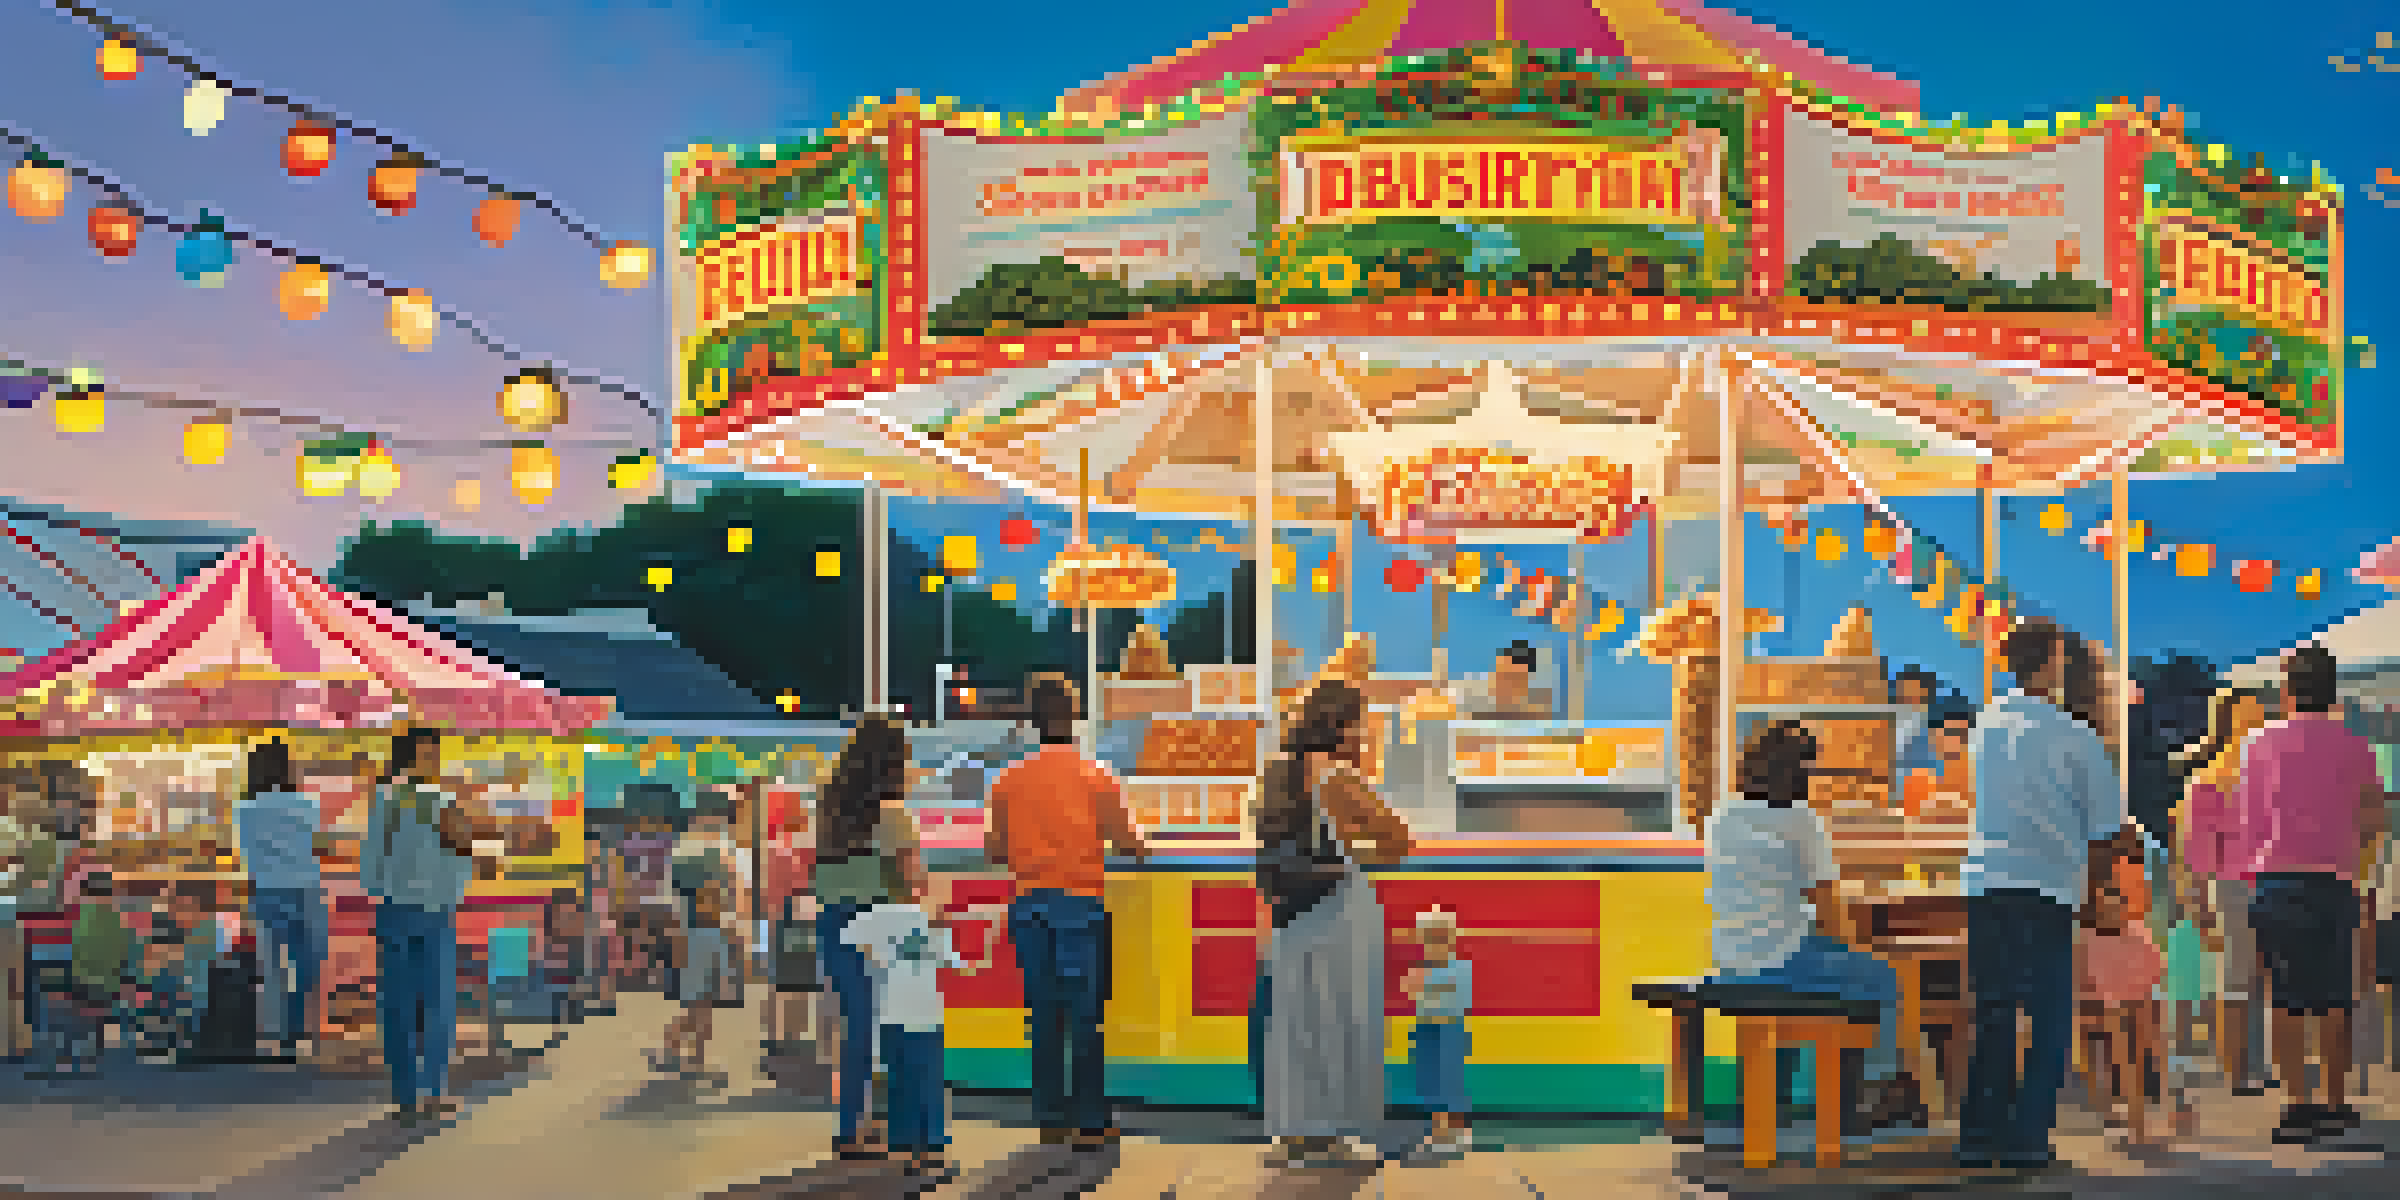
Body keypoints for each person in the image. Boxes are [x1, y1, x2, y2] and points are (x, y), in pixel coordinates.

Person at [1956, 619, 2127, 1172]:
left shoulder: (1985, 725)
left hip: (1986, 882)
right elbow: (2105, 829)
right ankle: (2029, 1139)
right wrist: (2099, 888)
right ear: (2051, 663)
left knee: (1995, 1012)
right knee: (2051, 1016)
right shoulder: (2074, 735)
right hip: (2047, 885)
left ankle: (1980, 1137)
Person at [1705, 720, 1918, 1130]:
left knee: (1822, 977)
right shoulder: (1800, 820)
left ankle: (1770, 1103)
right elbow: (1828, 909)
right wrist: (1854, 947)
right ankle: (1873, 1093)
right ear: (1799, 771)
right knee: (1880, 978)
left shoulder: (1723, 816)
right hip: (1780, 959)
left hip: (1730, 959)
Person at [1256, 679, 1417, 1167]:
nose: (1364, 734)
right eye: (1360, 724)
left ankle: (1296, 1134)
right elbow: (1398, 839)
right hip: (1336, 908)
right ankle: (1330, 1133)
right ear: (1341, 726)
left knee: (1297, 1020)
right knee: (1339, 1017)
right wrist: (1353, 854)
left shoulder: (1280, 774)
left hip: (1292, 912)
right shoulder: (1338, 778)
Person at [986, 673, 1149, 1149]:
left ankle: (1050, 1117)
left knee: (1043, 1015)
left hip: (1030, 907)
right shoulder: (1096, 776)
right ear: (1074, 717)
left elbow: (994, 850)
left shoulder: (1008, 781)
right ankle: (1092, 1121)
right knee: (1084, 1016)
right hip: (1081, 906)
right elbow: (1131, 846)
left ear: (1032, 722)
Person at [360, 726, 553, 1122]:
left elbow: (386, 856)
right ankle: (431, 1092)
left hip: (393, 908)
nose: (434, 762)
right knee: (436, 1003)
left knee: (398, 1005)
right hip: (431, 910)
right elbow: (462, 836)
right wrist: (514, 834)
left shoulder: (383, 798)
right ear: (413, 757)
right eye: (429, 754)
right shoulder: (432, 797)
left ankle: (406, 1096)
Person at [2236, 645, 2386, 1144]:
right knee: (2335, 997)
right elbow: (2374, 824)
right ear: (2332, 687)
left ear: (2287, 687)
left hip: (2275, 879)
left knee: (2286, 997)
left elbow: (2248, 823)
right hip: (2334, 879)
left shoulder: (2257, 744)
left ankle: (2297, 1103)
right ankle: (2337, 1101)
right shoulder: (2357, 746)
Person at [814, 714, 925, 1159]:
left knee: (856, 1028)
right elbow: (908, 880)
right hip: (880, 922)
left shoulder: (831, 807)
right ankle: (894, 1124)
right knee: (896, 1029)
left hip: (834, 920)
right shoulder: (893, 812)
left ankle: (853, 1127)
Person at [842, 875, 971, 1178]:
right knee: (927, 1083)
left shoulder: (877, 916)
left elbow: (849, 939)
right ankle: (931, 1149)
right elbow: (956, 964)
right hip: (926, 1015)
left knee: (900, 1081)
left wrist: (880, 958)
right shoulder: (934, 924)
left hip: (891, 1014)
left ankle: (904, 1149)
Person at [2179, 686, 2273, 1093]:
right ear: (2227, 723)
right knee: (2235, 977)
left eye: (2258, 717)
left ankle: (2258, 1063)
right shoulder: (2211, 778)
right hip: (2232, 885)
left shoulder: (2272, 772)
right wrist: (2199, 902)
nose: (2254, 724)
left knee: (2261, 976)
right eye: (2246, 717)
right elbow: (2198, 852)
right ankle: (2237, 1069)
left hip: (2270, 882)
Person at [2075, 829, 2187, 1145]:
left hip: (2115, 989)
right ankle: (2152, 1110)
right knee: (2142, 1039)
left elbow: (2152, 968)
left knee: (2141, 1038)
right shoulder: (2116, 922)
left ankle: (2148, 1110)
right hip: (2118, 989)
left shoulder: (2091, 924)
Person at [235, 738, 325, 1057]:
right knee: (307, 964)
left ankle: (275, 1032)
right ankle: (302, 1030)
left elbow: (247, 855)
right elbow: (319, 845)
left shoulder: (244, 809)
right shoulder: (305, 805)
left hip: (265, 888)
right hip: (305, 887)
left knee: (272, 965)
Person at [1403, 905, 1473, 1160]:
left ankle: (1455, 1134)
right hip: (1428, 1031)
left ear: (1452, 939)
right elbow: (1412, 990)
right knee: (1431, 1083)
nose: (1435, 945)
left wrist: (1427, 986)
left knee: (1450, 1083)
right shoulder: (1426, 970)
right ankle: (1438, 1133)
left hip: (1448, 1031)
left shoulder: (1460, 968)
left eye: (1441, 939)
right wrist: (1430, 987)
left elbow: (1455, 998)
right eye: (1430, 939)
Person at [652, 875, 733, 1082]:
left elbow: (721, 958)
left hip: (704, 980)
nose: (715, 905)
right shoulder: (692, 930)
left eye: (717, 901)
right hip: (695, 980)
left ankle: (684, 1053)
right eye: (709, 900)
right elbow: (681, 953)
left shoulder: (715, 931)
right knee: (697, 1019)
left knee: (698, 1020)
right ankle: (683, 1054)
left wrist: (724, 980)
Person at [1453, 642, 1553, 720]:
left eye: (1514, 678)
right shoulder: (1470, 693)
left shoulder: (1537, 705)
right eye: (1500, 674)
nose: (1503, 683)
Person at [1891, 667, 1942, 777]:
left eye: (1913, 690)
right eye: (1904, 689)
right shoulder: (1892, 717)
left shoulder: (1933, 725)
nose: (1907, 696)